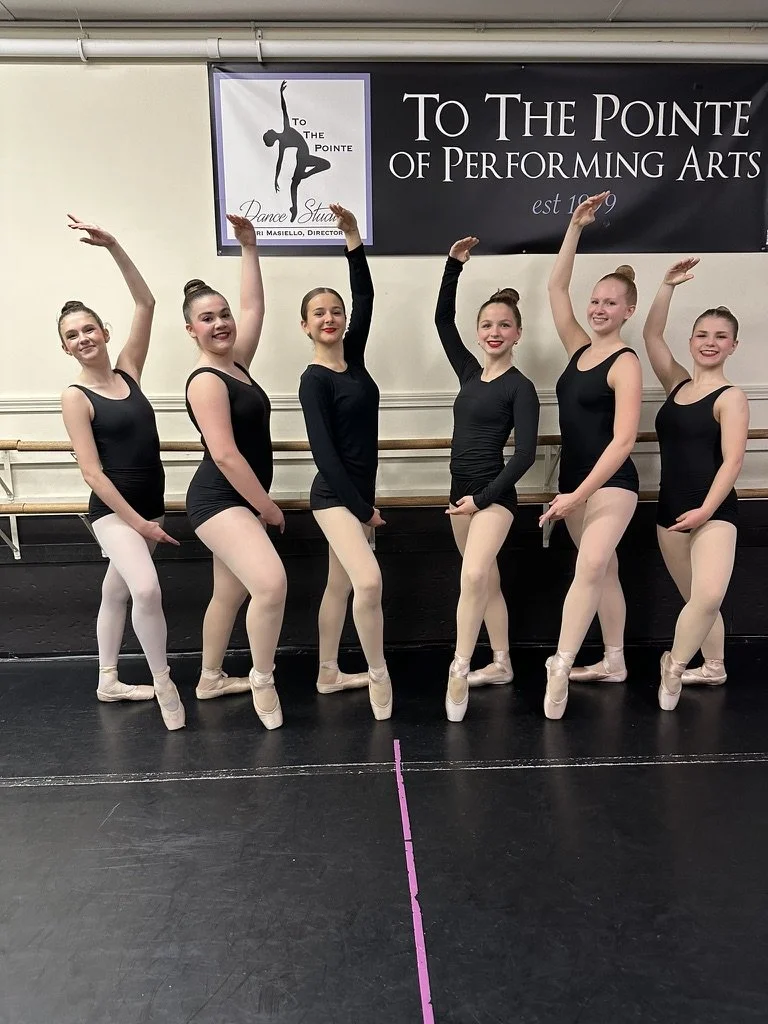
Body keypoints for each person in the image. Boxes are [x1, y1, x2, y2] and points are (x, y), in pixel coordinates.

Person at [59, 214, 185, 731]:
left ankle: (107, 679)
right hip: (114, 513)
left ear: (104, 332)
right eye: (72, 335)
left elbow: (147, 303)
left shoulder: (129, 372)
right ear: (65, 347)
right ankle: (165, 685)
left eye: (89, 328)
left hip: (147, 509)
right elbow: (92, 474)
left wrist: (114, 246)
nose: (84, 337)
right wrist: (137, 523)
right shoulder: (74, 397)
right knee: (147, 590)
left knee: (116, 590)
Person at [541, 191, 643, 719]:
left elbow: (623, 441)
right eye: (596, 300)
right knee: (606, 574)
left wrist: (575, 496)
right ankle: (615, 660)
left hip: (611, 483)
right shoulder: (579, 347)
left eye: (611, 302)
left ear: (629, 310)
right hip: (576, 483)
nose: (600, 308)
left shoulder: (626, 362)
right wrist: (575, 227)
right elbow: (556, 285)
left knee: (593, 563)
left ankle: (560, 663)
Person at [184, 214, 285, 730]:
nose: (221, 322)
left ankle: (209, 677)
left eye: (222, 314)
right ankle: (262, 680)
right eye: (207, 318)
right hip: (218, 500)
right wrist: (267, 507)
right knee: (270, 585)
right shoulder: (206, 380)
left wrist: (249, 247)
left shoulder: (236, 364)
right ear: (191, 329)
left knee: (229, 592)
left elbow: (253, 306)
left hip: (240, 499)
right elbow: (224, 455)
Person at [434, 236, 539, 722]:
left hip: (495, 496)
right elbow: (441, 321)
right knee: (488, 582)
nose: (495, 332)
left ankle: (459, 667)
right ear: (479, 333)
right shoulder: (468, 374)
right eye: (487, 325)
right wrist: (454, 267)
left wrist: (483, 497)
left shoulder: (521, 388)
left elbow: (525, 454)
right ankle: (500, 662)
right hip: (460, 495)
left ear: (518, 333)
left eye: (504, 325)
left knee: (473, 575)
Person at [298, 203, 392, 720]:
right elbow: (326, 456)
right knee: (369, 582)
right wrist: (363, 510)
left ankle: (329, 672)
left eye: (335, 311)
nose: (330, 318)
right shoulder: (313, 380)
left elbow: (366, 296)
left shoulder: (352, 360)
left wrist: (353, 238)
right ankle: (378, 674)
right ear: (306, 326)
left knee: (338, 584)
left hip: (358, 497)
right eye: (319, 313)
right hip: (336, 497)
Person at [643, 258, 749, 709]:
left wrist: (707, 509)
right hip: (669, 511)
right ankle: (714, 666)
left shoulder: (731, 396)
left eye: (720, 336)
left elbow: (732, 461)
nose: (710, 342)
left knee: (707, 595)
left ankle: (674, 669)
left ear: (733, 346)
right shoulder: (677, 385)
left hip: (713, 512)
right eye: (703, 334)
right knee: (695, 601)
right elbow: (650, 335)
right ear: (691, 341)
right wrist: (666, 286)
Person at [263, 80, 332, 223]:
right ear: (272, 136)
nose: (269, 129)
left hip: (303, 156)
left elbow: (284, 109)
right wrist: (275, 178)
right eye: (268, 132)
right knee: (296, 182)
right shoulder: (284, 135)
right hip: (302, 156)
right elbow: (279, 163)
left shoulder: (284, 135)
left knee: (325, 165)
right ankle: (294, 207)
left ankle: (297, 198)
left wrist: (281, 94)